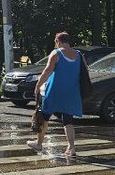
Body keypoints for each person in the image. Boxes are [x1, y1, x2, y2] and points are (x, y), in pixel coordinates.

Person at [27, 31, 83, 160]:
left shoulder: (56, 53)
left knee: (45, 116)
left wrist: (38, 85)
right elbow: (84, 70)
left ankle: (39, 143)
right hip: (72, 92)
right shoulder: (78, 54)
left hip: (54, 91)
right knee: (68, 120)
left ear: (58, 41)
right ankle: (71, 148)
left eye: (56, 42)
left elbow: (47, 71)